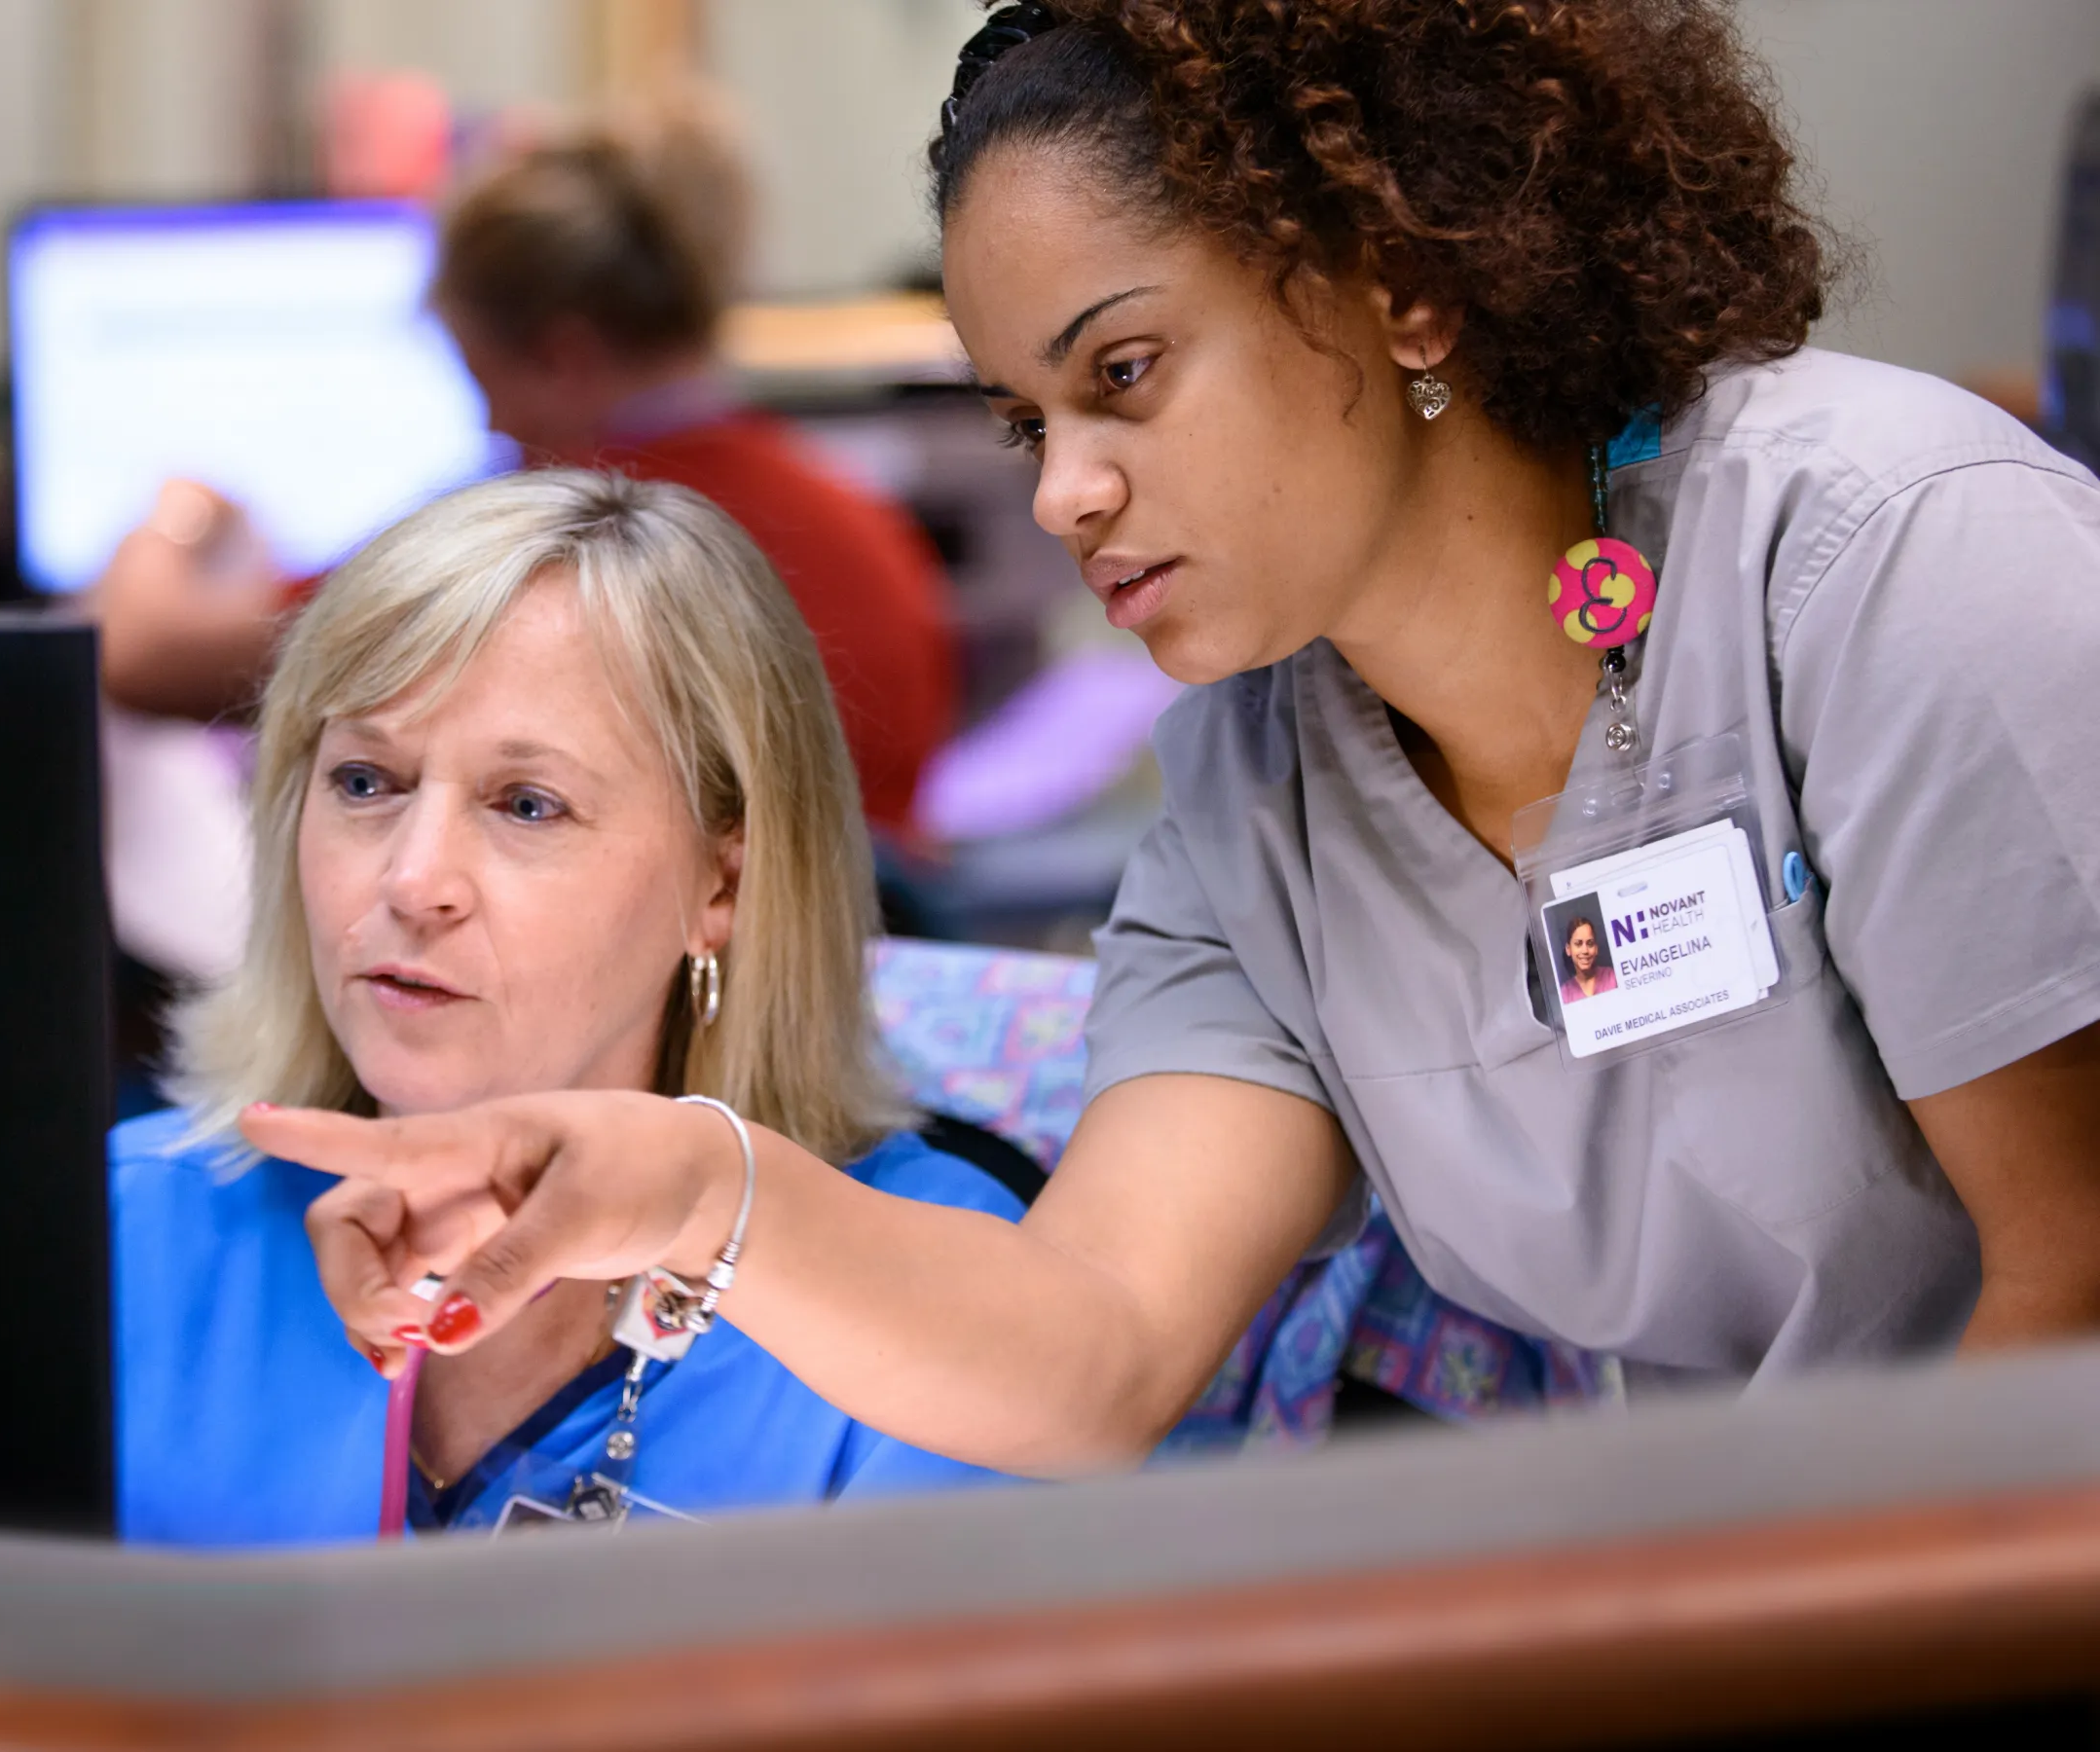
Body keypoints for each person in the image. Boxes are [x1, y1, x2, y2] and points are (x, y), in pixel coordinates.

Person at [252, 0, 2100, 1478]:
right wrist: (687, 1182)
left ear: (1402, 280)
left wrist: (1765, 1659)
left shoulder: (1887, 559)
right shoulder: (1259, 788)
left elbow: (2076, 1285)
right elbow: (1097, 1352)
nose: (1065, 492)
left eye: (1121, 372)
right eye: (1024, 421)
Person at [110, 470, 1020, 1544]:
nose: (412, 881)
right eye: (365, 783)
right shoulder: (120, 1230)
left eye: (527, 805)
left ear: (720, 887)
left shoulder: (942, 1290)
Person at [94, 100, 961, 846]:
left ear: (563, 359)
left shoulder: (531, 561)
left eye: (481, 378)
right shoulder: (858, 519)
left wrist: (178, 513)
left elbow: (140, 656)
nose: (487, 425)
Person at [1557, 915, 1615, 1006]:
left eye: (1590, 944)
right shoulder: (1564, 994)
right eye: (1578, 944)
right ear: (1568, 949)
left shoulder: (1612, 977)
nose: (1585, 951)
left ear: (1596, 949)